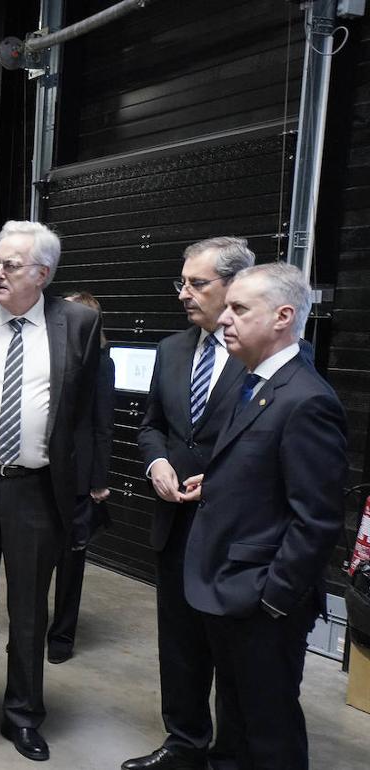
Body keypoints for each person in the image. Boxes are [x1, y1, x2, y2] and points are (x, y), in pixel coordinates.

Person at [0, 221, 101, 768]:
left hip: (37, 490)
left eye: (10, 264)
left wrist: (87, 489)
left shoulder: (78, 322)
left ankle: (26, 716)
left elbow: (90, 414)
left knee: (30, 612)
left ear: (43, 274)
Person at [182, 261, 346, 769]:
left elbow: (317, 518)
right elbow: (263, 468)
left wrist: (274, 599)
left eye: (238, 308)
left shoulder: (306, 400)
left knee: (268, 728)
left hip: (260, 600)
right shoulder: (252, 382)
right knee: (236, 721)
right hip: (227, 587)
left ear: (282, 316)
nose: (224, 319)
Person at [127, 236, 257, 770]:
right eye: (181, 282)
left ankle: (231, 754)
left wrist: (223, 482)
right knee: (179, 646)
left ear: (234, 287)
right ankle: (184, 743)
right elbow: (153, 425)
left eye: (197, 283)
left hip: (234, 532)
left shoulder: (262, 353)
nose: (184, 293)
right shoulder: (172, 349)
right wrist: (156, 462)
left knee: (232, 653)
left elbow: (269, 445)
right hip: (176, 522)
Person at [45, 291, 115, 663]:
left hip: (77, 477)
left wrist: (98, 479)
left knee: (71, 563)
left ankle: (63, 634)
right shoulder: (46, 354)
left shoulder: (101, 361)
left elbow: (103, 425)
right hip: (42, 473)